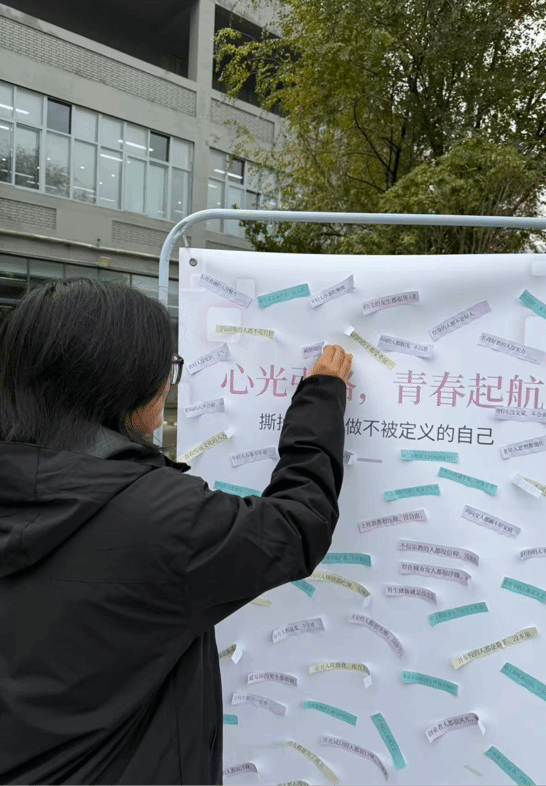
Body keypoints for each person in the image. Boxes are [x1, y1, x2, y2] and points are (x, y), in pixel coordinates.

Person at [0, 277, 352, 785]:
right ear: (122, 385)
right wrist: (321, 399)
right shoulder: (159, 517)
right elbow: (298, 525)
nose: (169, 384)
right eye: (167, 369)